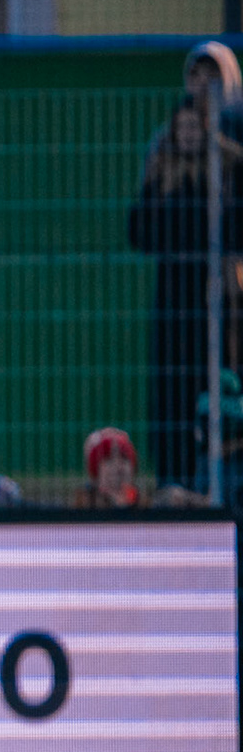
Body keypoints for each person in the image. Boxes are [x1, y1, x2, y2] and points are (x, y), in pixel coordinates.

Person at [127, 96, 243, 498]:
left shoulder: (229, 169)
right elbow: (138, 232)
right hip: (173, 296)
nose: (190, 134)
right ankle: (171, 479)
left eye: (197, 126)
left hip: (213, 295)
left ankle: (213, 480)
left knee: (212, 385)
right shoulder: (163, 175)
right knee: (171, 388)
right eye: (184, 127)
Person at [73, 426, 143, 509]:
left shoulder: (145, 505)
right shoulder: (81, 508)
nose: (118, 467)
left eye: (124, 458)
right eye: (108, 459)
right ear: (95, 470)